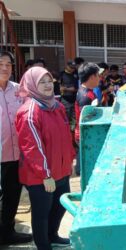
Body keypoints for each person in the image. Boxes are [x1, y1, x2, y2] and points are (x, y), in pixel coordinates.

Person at [15, 66, 75, 250]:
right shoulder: (29, 112)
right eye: (42, 82)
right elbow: (32, 147)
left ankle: (52, 235)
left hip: (60, 170)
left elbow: (65, 136)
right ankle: (43, 245)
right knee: (42, 213)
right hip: (41, 176)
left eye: (50, 81)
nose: (48, 85)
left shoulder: (56, 106)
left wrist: (69, 161)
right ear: (32, 84)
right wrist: (45, 175)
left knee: (61, 206)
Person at [0, 51, 33, 245]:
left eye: (8, 64)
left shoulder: (18, 90)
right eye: (1, 63)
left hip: (16, 155)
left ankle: (7, 232)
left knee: (13, 196)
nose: (5, 68)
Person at [74, 63, 99, 175]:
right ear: (92, 76)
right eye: (98, 75)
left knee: (81, 155)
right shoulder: (86, 96)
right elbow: (86, 119)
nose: (99, 78)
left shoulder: (83, 90)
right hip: (85, 133)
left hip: (80, 132)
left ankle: (79, 170)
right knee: (86, 160)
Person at [59, 60, 79, 132]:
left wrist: (67, 89)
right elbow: (59, 87)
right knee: (65, 117)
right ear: (66, 66)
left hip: (75, 99)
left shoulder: (76, 74)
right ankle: (65, 132)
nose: (72, 69)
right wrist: (67, 89)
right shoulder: (62, 74)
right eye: (71, 67)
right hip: (65, 99)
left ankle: (73, 133)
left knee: (74, 118)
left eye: (73, 68)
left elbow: (77, 87)